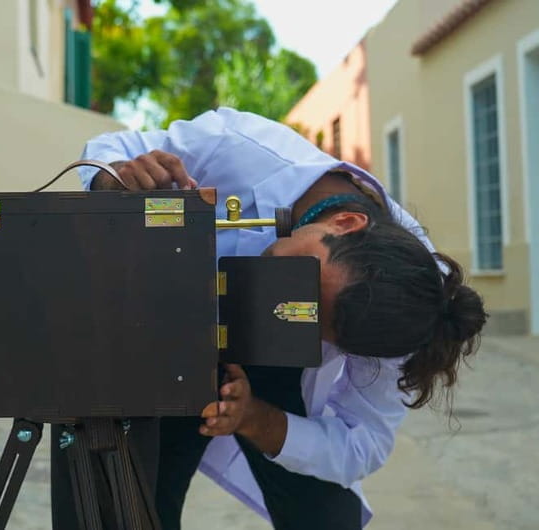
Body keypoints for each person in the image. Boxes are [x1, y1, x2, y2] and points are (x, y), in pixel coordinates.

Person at [56, 107, 486, 529]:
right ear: (345, 223)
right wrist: (117, 177)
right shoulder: (239, 146)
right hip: (175, 331)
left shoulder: (405, 314)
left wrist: (257, 419)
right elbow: (109, 148)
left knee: (326, 521)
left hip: (283, 368)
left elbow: (363, 443)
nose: (287, 305)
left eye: (316, 326)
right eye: (306, 285)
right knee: (141, 503)